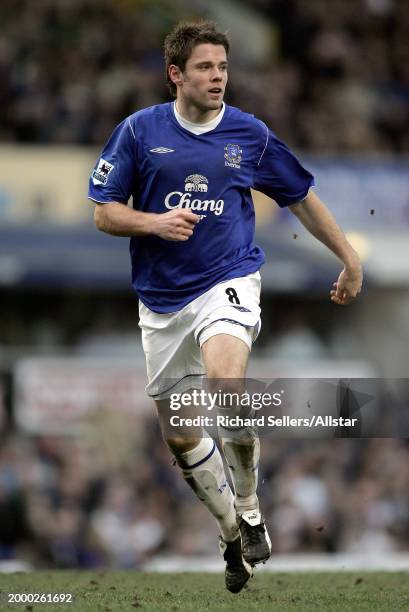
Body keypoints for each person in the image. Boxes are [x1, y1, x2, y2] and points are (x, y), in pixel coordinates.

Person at [88, 20, 362, 593]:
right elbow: (104, 212)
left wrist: (349, 257)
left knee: (226, 382)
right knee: (182, 436)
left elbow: (301, 198)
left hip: (228, 278)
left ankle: (251, 504)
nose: (218, 78)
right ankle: (231, 531)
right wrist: (154, 221)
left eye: (223, 68)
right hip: (161, 303)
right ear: (176, 75)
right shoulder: (139, 133)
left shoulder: (249, 134)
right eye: (206, 68)